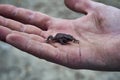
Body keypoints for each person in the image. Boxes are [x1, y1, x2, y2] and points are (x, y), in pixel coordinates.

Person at [0, 0, 120, 71]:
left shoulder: (69, 38)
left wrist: (73, 40)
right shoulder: (62, 39)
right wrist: (54, 41)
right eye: (69, 39)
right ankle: (48, 40)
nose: (70, 40)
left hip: (64, 35)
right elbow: (62, 41)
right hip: (58, 36)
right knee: (52, 38)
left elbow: (69, 38)